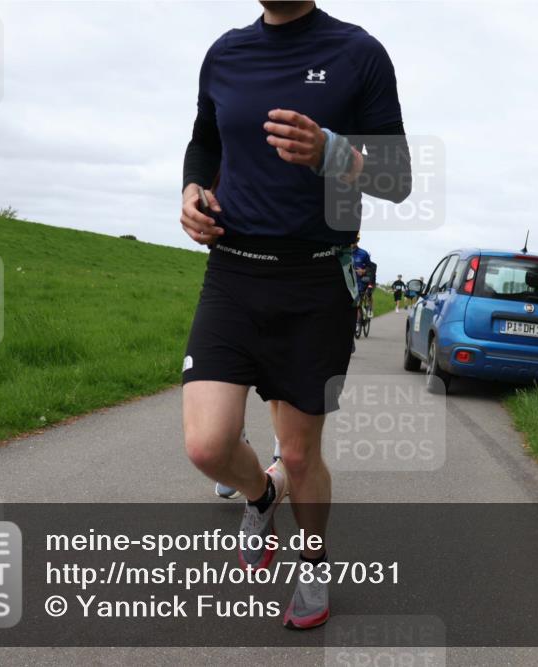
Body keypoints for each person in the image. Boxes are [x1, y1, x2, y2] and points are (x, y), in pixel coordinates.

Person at [179, 0, 410, 631]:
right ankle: (260, 494)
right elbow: (204, 141)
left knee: (301, 455)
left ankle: (313, 565)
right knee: (206, 444)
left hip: (314, 279)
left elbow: (397, 176)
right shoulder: (225, 52)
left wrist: (331, 151)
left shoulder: (358, 52)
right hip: (232, 273)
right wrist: (191, 190)